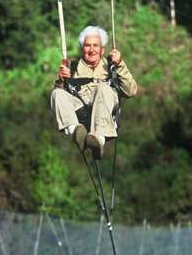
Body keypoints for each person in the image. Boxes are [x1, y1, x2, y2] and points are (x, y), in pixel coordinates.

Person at [50, 26, 138, 159]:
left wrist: (120, 64)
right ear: (82, 49)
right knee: (56, 94)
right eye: (87, 46)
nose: (92, 50)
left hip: (104, 106)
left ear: (102, 50)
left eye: (96, 45)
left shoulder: (112, 66)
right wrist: (61, 81)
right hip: (81, 110)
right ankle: (76, 132)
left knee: (102, 88)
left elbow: (131, 91)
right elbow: (61, 101)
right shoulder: (72, 69)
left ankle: (99, 139)